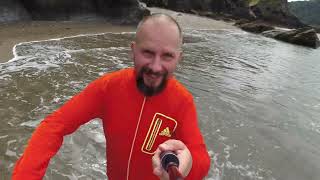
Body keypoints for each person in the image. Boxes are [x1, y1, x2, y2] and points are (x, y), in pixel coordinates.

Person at [12, 13, 210, 180]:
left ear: (179, 59)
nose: (156, 67)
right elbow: (54, 125)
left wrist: (189, 163)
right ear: (133, 50)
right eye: (148, 53)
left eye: (167, 56)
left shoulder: (182, 101)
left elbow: (201, 158)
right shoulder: (108, 88)